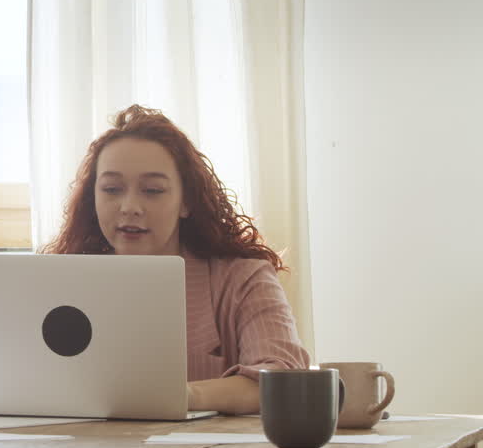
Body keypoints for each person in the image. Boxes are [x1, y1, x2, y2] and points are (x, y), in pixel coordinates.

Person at [40, 104, 309, 415]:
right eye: (112, 189)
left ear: (186, 202)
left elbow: (282, 377)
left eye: (153, 190)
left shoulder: (244, 279)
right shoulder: (62, 279)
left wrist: (181, 396)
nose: (129, 207)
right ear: (93, 200)